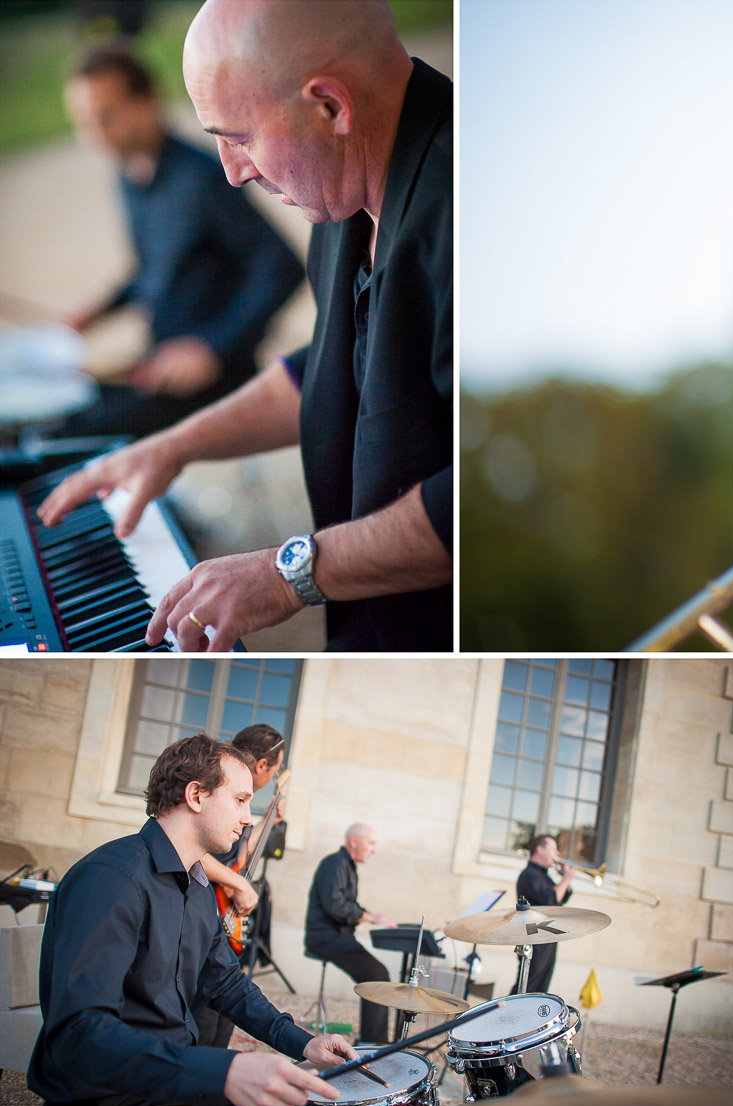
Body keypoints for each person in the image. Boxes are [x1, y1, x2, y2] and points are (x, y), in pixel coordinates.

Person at [37, 0, 452, 654]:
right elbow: (330, 368)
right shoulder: (344, 188)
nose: (234, 172)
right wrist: (171, 446)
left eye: (239, 137)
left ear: (330, 106)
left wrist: (291, 572)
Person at [27, 734, 355, 1106]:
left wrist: (304, 1043)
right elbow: (78, 1036)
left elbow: (226, 984)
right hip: (112, 1105)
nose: (248, 817)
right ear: (196, 795)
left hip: (177, 1087)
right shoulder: (110, 880)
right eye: (240, 800)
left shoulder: (197, 884)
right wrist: (225, 1070)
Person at [57, 44, 303, 440]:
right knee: (61, 405)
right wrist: (94, 314)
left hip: (214, 371)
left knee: (73, 435)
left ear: (147, 100)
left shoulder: (201, 179)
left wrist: (211, 347)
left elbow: (282, 267)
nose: (95, 135)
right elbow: (157, 270)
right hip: (158, 359)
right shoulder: (128, 177)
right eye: (84, 122)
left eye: (106, 117)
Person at [194, 724, 287, 1051]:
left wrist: (270, 821)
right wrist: (238, 884)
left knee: (225, 1013)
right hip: (202, 915)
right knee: (204, 1019)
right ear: (262, 766)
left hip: (220, 918)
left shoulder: (239, 814)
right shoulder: (216, 782)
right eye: (275, 769)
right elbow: (190, 852)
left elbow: (239, 856)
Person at [304, 824, 397, 1045]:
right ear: (354, 841)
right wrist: (371, 918)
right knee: (377, 977)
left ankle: (375, 1042)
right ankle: (372, 1045)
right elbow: (335, 906)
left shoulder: (347, 867)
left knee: (378, 975)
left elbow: (349, 904)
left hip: (339, 937)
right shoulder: (334, 863)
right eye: (371, 843)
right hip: (326, 938)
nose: (373, 850)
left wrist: (373, 916)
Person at [513, 834, 575, 995]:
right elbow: (552, 898)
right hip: (535, 939)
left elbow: (562, 897)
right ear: (540, 850)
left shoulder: (543, 875)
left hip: (546, 938)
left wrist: (564, 880)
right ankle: (507, 1018)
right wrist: (567, 879)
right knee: (528, 988)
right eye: (553, 849)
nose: (557, 854)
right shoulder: (530, 875)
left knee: (540, 990)